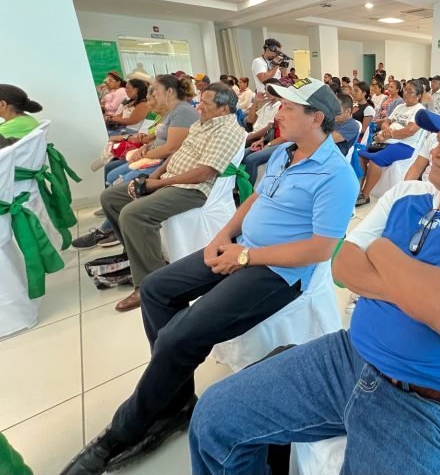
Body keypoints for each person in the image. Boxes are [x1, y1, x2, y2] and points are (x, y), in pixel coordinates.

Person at [188, 96, 440, 475]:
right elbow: (342, 266)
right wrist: (424, 296)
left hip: (427, 403)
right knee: (214, 417)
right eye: (439, 140)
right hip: (348, 357)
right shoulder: (406, 194)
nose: (437, 152)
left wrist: (383, 251)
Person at [61, 78, 357, 475]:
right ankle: (176, 402)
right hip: (242, 247)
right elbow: (255, 198)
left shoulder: (337, 176)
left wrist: (247, 256)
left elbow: (322, 248)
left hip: (277, 271)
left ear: (316, 117)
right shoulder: (287, 152)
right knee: (156, 289)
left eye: (287, 107)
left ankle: (125, 429)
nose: (277, 112)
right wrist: (223, 236)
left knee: (179, 336)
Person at [97, 82, 245, 313]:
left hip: (193, 189)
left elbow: (204, 173)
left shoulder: (228, 130)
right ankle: (138, 256)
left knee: (134, 214)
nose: (199, 107)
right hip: (171, 178)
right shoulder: (201, 124)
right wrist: (151, 178)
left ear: (224, 109)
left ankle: (149, 283)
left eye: (205, 104)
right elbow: (178, 154)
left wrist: (158, 183)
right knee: (111, 198)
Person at [72, 76, 200, 250]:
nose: (152, 94)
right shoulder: (171, 112)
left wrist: (144, 154)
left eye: (156, 91)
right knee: (110, 171)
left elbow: (172, 148)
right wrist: (144, 148)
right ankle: (112, 221)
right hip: (155, 157)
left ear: (169, 92)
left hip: (166, 162)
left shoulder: (183, 112)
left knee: (122, 181)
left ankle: (108, 229)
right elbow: (158, 138)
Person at [356, 79, 425, 207]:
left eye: (411, 92)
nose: (406, 93)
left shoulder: (419, 110)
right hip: (388, 141)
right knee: (361, 154)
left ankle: (365, 195)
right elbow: (386, 121)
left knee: (376, 159)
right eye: (405, 90)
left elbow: (410, 130)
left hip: (405, 146)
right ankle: (358, 190)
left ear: (419, 96)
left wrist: (390, 134)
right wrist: (386, 130)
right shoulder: (400, 106)